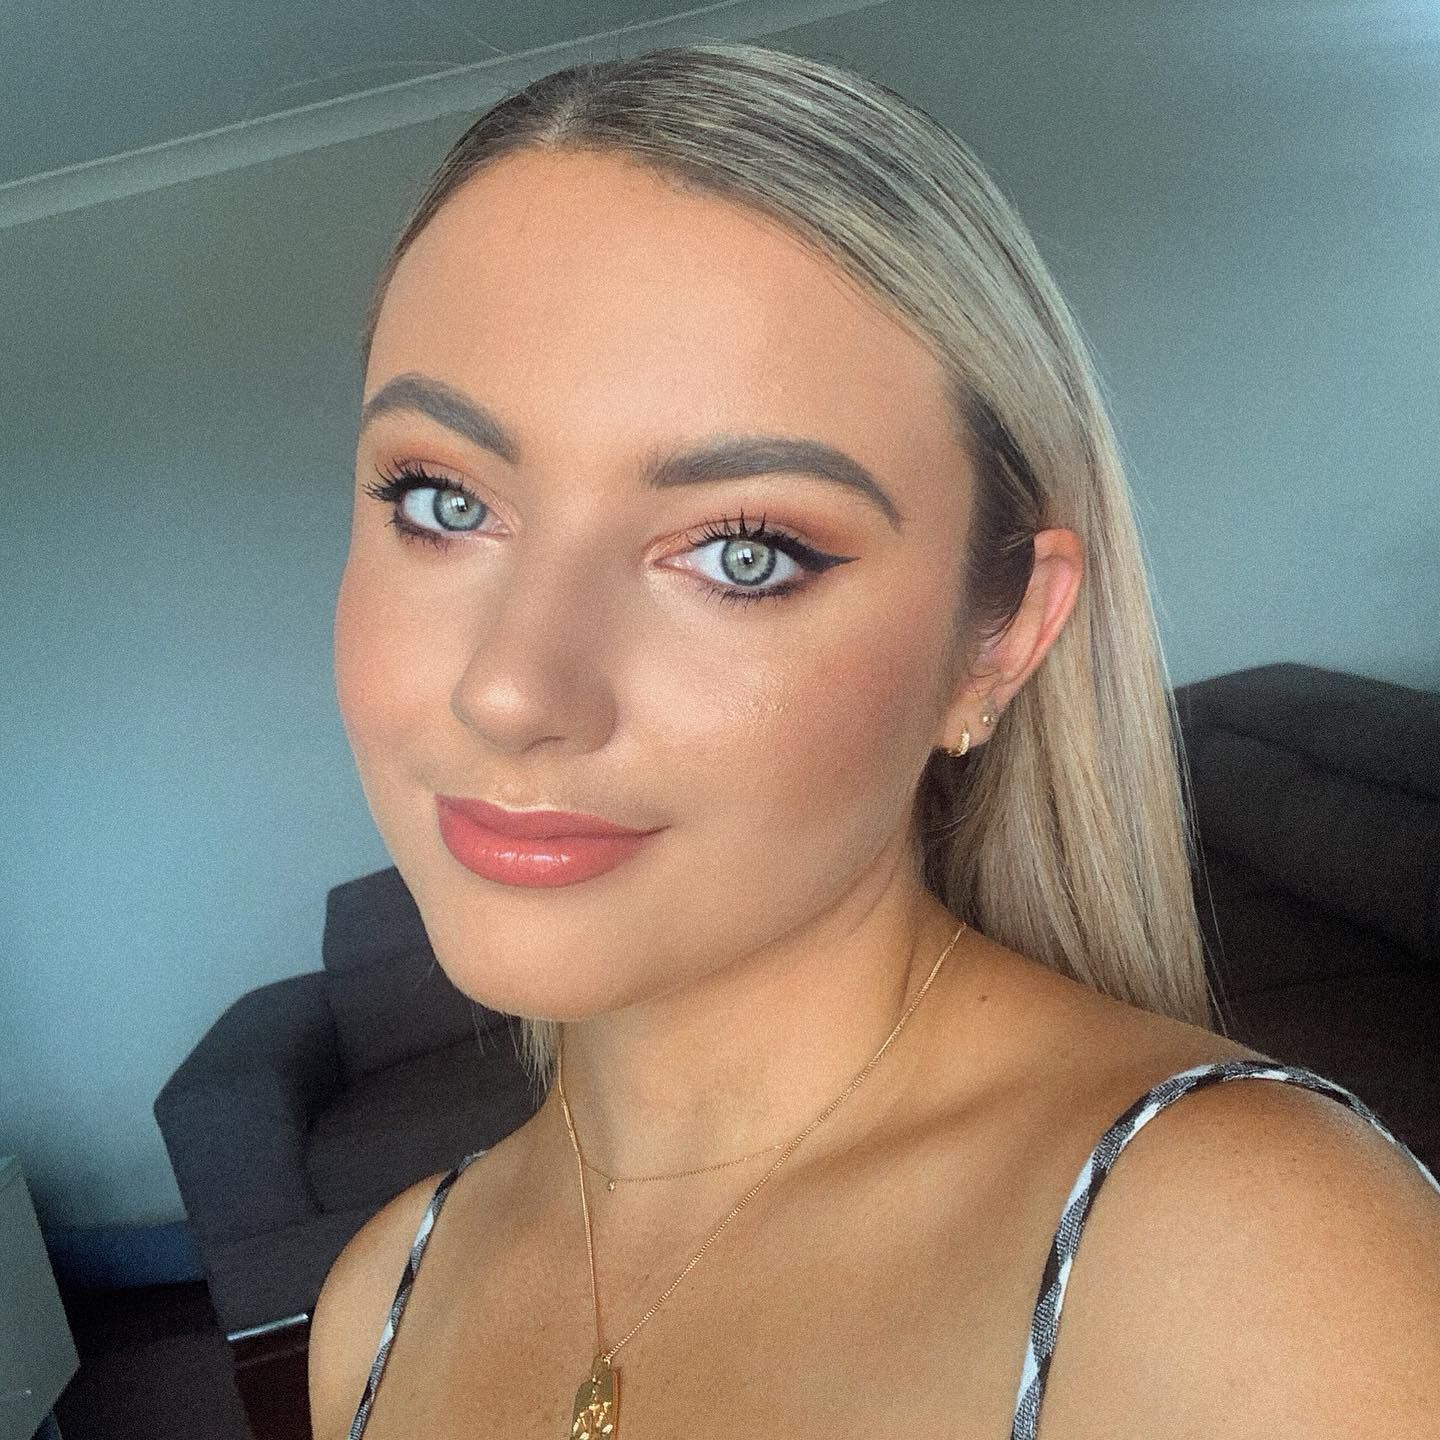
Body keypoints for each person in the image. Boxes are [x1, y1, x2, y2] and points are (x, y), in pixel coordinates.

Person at [309, 41, 1440, 1440]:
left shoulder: (1247, 1270)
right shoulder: (379, 1304)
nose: (513, 690)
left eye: (742, 552)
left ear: (1000, 638)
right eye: (441, 501)